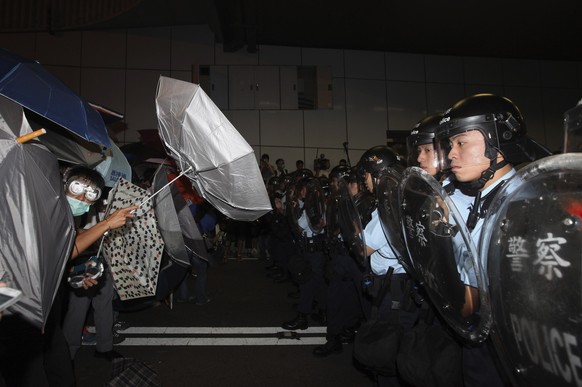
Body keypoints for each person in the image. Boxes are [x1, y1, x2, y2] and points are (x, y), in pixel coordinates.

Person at [434, 93, 551, 387]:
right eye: (450, 145)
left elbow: (472, 301)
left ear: (498, 144)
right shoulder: (484, 196)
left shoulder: (523, 203)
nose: (451, 154)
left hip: (506, 347)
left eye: (461, 142)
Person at [61, 165, 138, 362]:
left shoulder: (91, 209)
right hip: (76, 261)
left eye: (91, 193)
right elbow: (66, 250)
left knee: (104, 304)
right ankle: (68, 352)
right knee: (77, 310)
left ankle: (105, 346)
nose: (82, 198)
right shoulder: (53, 212)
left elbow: (76, 237)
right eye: (78, 188)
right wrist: (106, 224)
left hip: (97, 257)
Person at [359, 145, 419, 387]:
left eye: (366, 174)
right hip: (402, 284)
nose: (364, 180)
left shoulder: (388, 207)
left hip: (394, 287)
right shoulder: (402, 199)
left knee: (388, 346)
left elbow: (365, 247)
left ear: (378, 173)